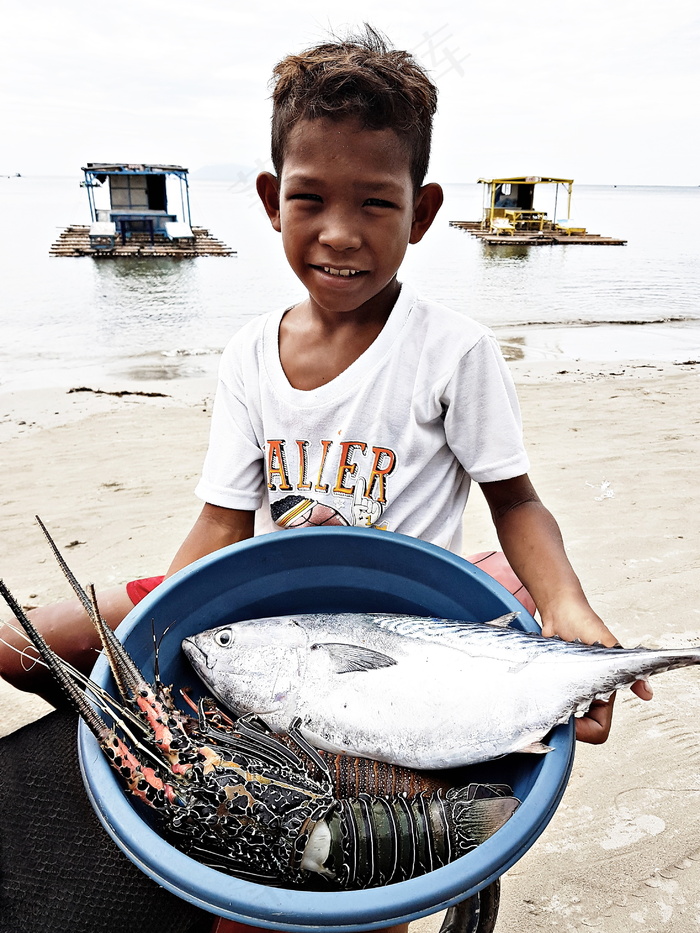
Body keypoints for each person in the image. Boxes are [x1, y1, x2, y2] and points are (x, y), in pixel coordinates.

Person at [0, 25, 651, 933]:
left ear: (421, 214)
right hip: (260, 605)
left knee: (344, 867)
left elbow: (517, 502)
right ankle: (93, 741)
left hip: (403, 637)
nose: (340, 233)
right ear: (272, 200)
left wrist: (568, 604)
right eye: (310, 198)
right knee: (20, 639)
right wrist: (152, 640)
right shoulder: (248, 355)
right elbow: (222, 529)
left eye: (375, 205)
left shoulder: (451, 351)